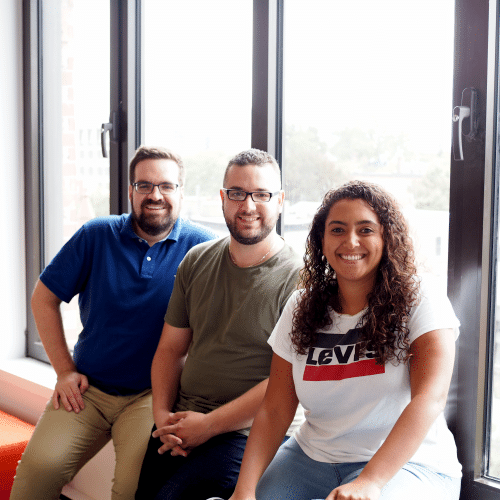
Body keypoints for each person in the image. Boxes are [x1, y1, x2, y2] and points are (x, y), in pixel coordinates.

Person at [228, 180, 462, 500]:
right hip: (311, 457)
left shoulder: (420, 298)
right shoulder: (301, 305)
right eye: (337, 230)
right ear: (322, 240)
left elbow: (430, 399)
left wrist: (370, 481)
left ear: (386, 237)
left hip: (410, 464)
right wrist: (243, 491)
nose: (350, 241)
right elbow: (275, 409)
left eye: (366, 230)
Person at [10, 146, 217, 500]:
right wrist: (64, 371)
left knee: (133, 489)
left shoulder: (202, 248)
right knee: (35, 476)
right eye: (144, 185)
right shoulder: (96, 234)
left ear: (181, 191)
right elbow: (43, 298)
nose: (155, 195)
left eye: (166, 186)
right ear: (131, 191)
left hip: (153, 396)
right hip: (87, 390)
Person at [134, 149, 303, 500]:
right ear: (223, 198)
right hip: (184, 420)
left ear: (280, 201)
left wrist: (208, 426)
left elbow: (286, 383)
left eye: (261, 194)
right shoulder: (196, 260)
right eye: (237, 193)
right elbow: (170, 350)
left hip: (249, 432)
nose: (248, 205)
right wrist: (162, 416)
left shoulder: (299, 279)